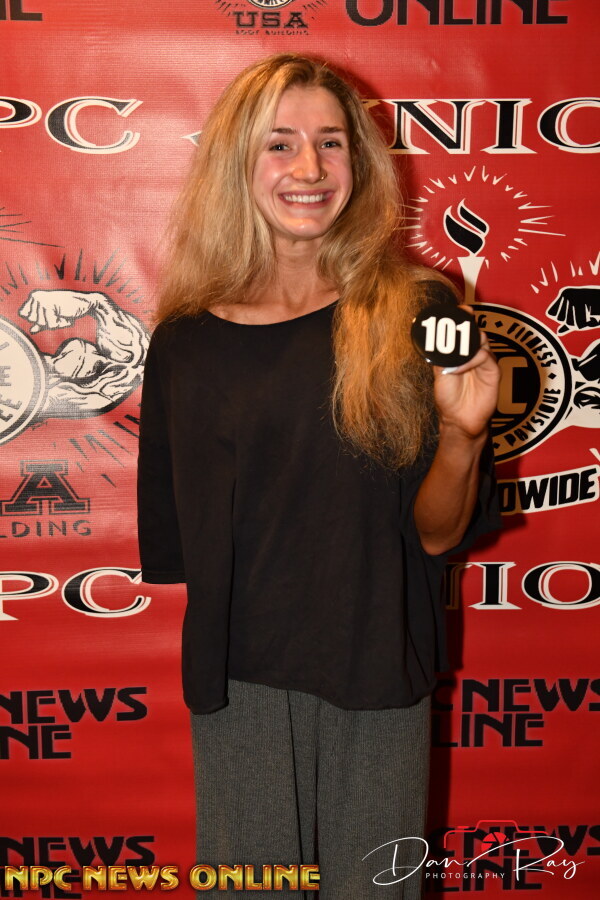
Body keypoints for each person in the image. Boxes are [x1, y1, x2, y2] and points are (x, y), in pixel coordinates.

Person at [137, 53, 501, 899]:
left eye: (331, 142)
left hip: (378, 668)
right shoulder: (185, 343)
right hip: (241, 686)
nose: (310, 167)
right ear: (237, 164)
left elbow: (438, 535)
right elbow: (185, 548)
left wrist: (462, 433)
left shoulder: (418, 310)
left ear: (358, 162)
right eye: (281, 144)